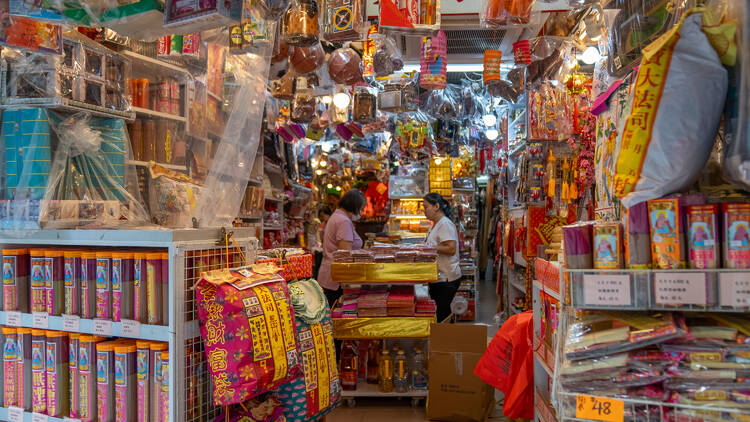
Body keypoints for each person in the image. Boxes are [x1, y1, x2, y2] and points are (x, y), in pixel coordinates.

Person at [318, 190, 366, 308]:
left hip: (329, 274)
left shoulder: (337, 217)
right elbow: (344, 255)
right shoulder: (343, 221)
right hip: (336, 278)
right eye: (361, 208)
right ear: (354, 206)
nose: (361, 212)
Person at [423, 193, 462, 322]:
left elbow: (451, 248)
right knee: (441, 312)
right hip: (439, 277)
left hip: (446, 278)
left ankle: (445, 340)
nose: (424, 211)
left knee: (442, 313)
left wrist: (430, 248)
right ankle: (444, 339)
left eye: (426, 207)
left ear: (436, 206)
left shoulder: (444, 224)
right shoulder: (436, 224)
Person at [313, 206, 333, 280]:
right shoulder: (323, 223)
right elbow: (321, 235)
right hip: (324, 247)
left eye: (323, 215)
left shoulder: (332, 223)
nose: (323, 217)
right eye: (321, 216)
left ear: (328, 214)